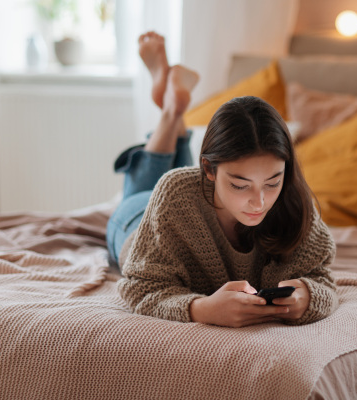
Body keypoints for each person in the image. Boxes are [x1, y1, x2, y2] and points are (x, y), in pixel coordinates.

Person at [106, 31, 338, 328]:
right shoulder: (175, 192)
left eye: (272, 181)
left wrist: (307, 297)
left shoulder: (294, 198)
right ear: (210, 169)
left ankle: (173, 104)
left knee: (182, 184)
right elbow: (140, 286)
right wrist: (201, 309)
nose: (260, 201)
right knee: (143, 189)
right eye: (240, 185)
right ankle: (170, 112)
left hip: (194, 192)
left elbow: (323, 279)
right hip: (134, 223)